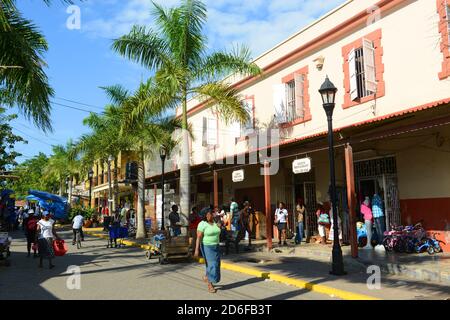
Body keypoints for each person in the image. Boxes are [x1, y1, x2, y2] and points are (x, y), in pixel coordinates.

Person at [194, 209, 222, 293]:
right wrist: (196, 250)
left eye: (211, 214)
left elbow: (218, 230)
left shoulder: (214, 223)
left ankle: (207, 276)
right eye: (209, 214)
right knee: (212, 265)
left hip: (216, 246)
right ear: (205, 215)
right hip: (207, 246)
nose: (211, 215)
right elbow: (198, 238)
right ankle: (210, 285)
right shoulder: (202, 224)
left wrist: (219, 224)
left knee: (216, 264)